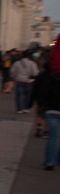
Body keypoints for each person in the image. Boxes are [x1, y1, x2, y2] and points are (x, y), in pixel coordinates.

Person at [33, 37, 60, 170]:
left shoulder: (50, 69)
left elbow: (43, 89)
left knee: (52, 137)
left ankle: (49, 161)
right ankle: (57, 159)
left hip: (52, 108)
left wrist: (41, 104)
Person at [11, 49, 38, 113]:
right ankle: (26, 108)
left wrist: (14, 77)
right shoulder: (32, 63)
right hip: (29, 81)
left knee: (19, 95)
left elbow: (12, 71)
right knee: (28, 95)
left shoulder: (17, 63)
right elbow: (36, 73)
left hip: (19, 80)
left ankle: (19, 108)